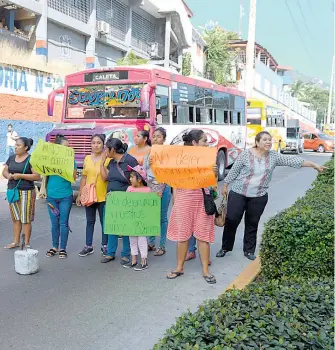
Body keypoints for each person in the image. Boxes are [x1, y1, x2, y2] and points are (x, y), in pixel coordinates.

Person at [216, 131, 327, 261]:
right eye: (265, 140)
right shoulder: (246, 154)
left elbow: (293, 160)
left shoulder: (274, 156)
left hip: (259, 196)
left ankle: (249, 250)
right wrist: (225, 185)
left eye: (270, 139)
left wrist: (314, 165)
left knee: (252, 223)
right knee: (232, 219)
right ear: (257, 142)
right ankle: (225, 247)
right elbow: (234, 170)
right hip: (239, 193)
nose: (268, 142)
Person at [166, 129, 218, 284]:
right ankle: (179, 267)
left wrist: (214, 173)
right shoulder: (180, 159)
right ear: (195, 142)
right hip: (184, 200)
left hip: (202, 200)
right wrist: (176, 201)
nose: (207, 144)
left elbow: (212, 185)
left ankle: (205, 270)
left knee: (203, 236)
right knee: (182, 237)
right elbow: (174, 182)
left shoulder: (209, 159)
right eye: (204, 141)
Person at [100, 138, 138, 265]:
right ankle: (110, 253)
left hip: (125, 199)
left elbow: (138, 180)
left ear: (113, 149)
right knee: (111, 226)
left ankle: (126, 254)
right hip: (111, 199)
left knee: (125, 227)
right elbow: (105, 178)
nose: (105, 151)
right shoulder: (110, 162)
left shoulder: (130, 160)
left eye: (107, 148)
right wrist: (102, 163)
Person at [39, 135, 77, 259]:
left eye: (68, 147)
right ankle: (54, 246)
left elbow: (74, 178)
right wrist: (43, 189)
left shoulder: (71, 161)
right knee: (54, 223)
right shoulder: (50, 160)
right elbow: (45, 175)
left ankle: (62, 248)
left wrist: (69, 165)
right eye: (65, 147)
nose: (67, 149)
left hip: (65, 196)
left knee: (63, 223)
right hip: (52, 196)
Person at [2, 137, 40, 248]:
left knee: (26, 219)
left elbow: (37, 176)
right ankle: (15, 241)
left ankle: (27, 243)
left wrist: (20, 176)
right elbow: (5, 170)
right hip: (13, 191)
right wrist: (7, 175)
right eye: (15, 145)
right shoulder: (12, 157)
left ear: (26, 147)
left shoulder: (31, 159)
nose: (16, 147)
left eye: (18, 145)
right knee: (16, 218)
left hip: (26, 192)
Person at [77, 134, 110, 257]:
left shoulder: (107, 159)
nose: (96, 145)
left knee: (104, 221)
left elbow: (107, 177)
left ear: (103, 145)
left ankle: (105, 245)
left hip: (103, 195)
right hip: (89, 195)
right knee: (90, 221)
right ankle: (88, 246)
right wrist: (80, 194)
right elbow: (84, 177)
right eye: (93, 143)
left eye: (99, 143)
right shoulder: (87, 158)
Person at [144, 127, 171, 255]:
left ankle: (162, 246)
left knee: (162, 217)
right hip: (150, 187)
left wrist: (160, 188)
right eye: (154, 136)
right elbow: (145, 172)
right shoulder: (148, 153)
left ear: (164, 139)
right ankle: (151, 243)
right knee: (150, 216)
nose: (155, 138)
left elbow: (169, 172)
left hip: (164, 188)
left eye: (158, 136)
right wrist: (149, 163)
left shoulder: (167, 154)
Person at [123, 165, 152, 270]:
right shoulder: (129, 189)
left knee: (142, 240)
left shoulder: (148, 190)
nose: (130, 179)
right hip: (132, 219)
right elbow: (125, 202)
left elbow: (151, 205)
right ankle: (134, 260)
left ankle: (144, 261)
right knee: (132, 240)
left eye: (132, 177)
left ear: (139, 179)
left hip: (142, 220)